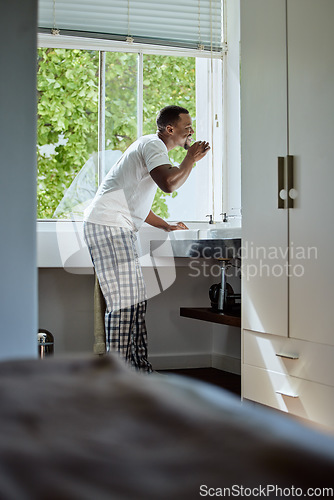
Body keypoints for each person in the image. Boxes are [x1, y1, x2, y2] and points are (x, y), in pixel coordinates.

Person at [83, 105, 210, 372]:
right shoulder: (154, 145)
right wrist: (190, 160)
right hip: (109, 224)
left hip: (117, 224)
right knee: (124, 302)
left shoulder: (151, 148)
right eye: (187, 127)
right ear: (169, 129)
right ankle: (117, 375)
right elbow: (169, 184)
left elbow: (136, 200)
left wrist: (166, 225)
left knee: (136, 301)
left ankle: (138, 370)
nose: (191, 131)